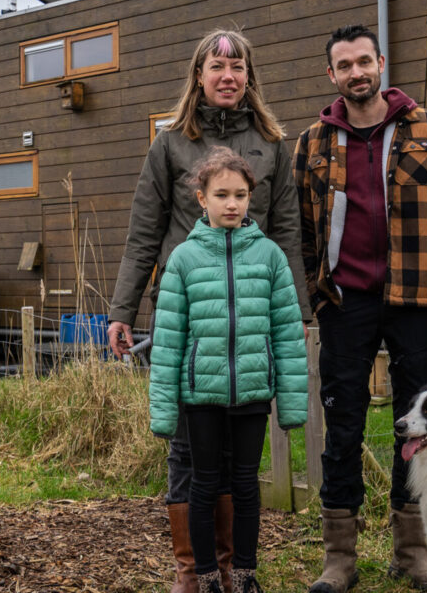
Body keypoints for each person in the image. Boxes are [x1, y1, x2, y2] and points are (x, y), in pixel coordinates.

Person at [106, 29, 310, 591]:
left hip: (250, 322)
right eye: (216, 65)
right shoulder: (169, 144)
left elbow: (288, 231)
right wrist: (121, 310)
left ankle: (229, 565)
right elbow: (143, 231)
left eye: (237, 65)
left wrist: (297, 310)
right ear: (198, 74)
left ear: (249, 76)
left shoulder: (271, 145)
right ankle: (189, 569)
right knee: (188, 455)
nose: (227, 75)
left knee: (238, 458)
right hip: (186, 317)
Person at [293, 24, 427, 593]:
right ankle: (339, 559)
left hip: (417, 302)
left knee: (417, 427)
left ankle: (412, 550)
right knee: (342, 428)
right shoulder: (314, 143)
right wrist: (318, 294)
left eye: (364, 61)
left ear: (381, 64)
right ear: (331, 75)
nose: (356, 73)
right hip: (345, 304)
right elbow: (301, 228)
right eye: (344, 65)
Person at [149, 146, 308, 593]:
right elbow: (167, 342)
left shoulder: (270, 257)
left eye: (241, 194)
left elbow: (287, 336)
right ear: (202, 198)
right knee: (203, 484)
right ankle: (205, 578)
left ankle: (243, 574)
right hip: (201, 396)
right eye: (222, 194)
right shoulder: (182, 259)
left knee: (245, 485)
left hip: (253, 393)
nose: (233, 203)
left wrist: (292, 405)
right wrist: (162, 411)